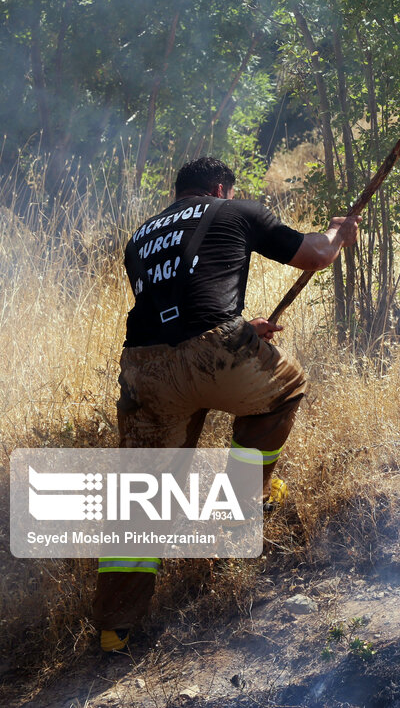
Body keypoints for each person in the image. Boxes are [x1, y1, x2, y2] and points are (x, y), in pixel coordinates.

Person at [94, 156, 358, 653]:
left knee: (138, 498)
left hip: (144, 366)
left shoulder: (141, 239)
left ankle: (113, 631)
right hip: (214, 351)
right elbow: (316, 254)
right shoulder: (234, 211)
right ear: (220, 188)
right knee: (285, 388)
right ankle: (242, 504)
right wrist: (338, 231)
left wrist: (241, 329)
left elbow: (172, 314)